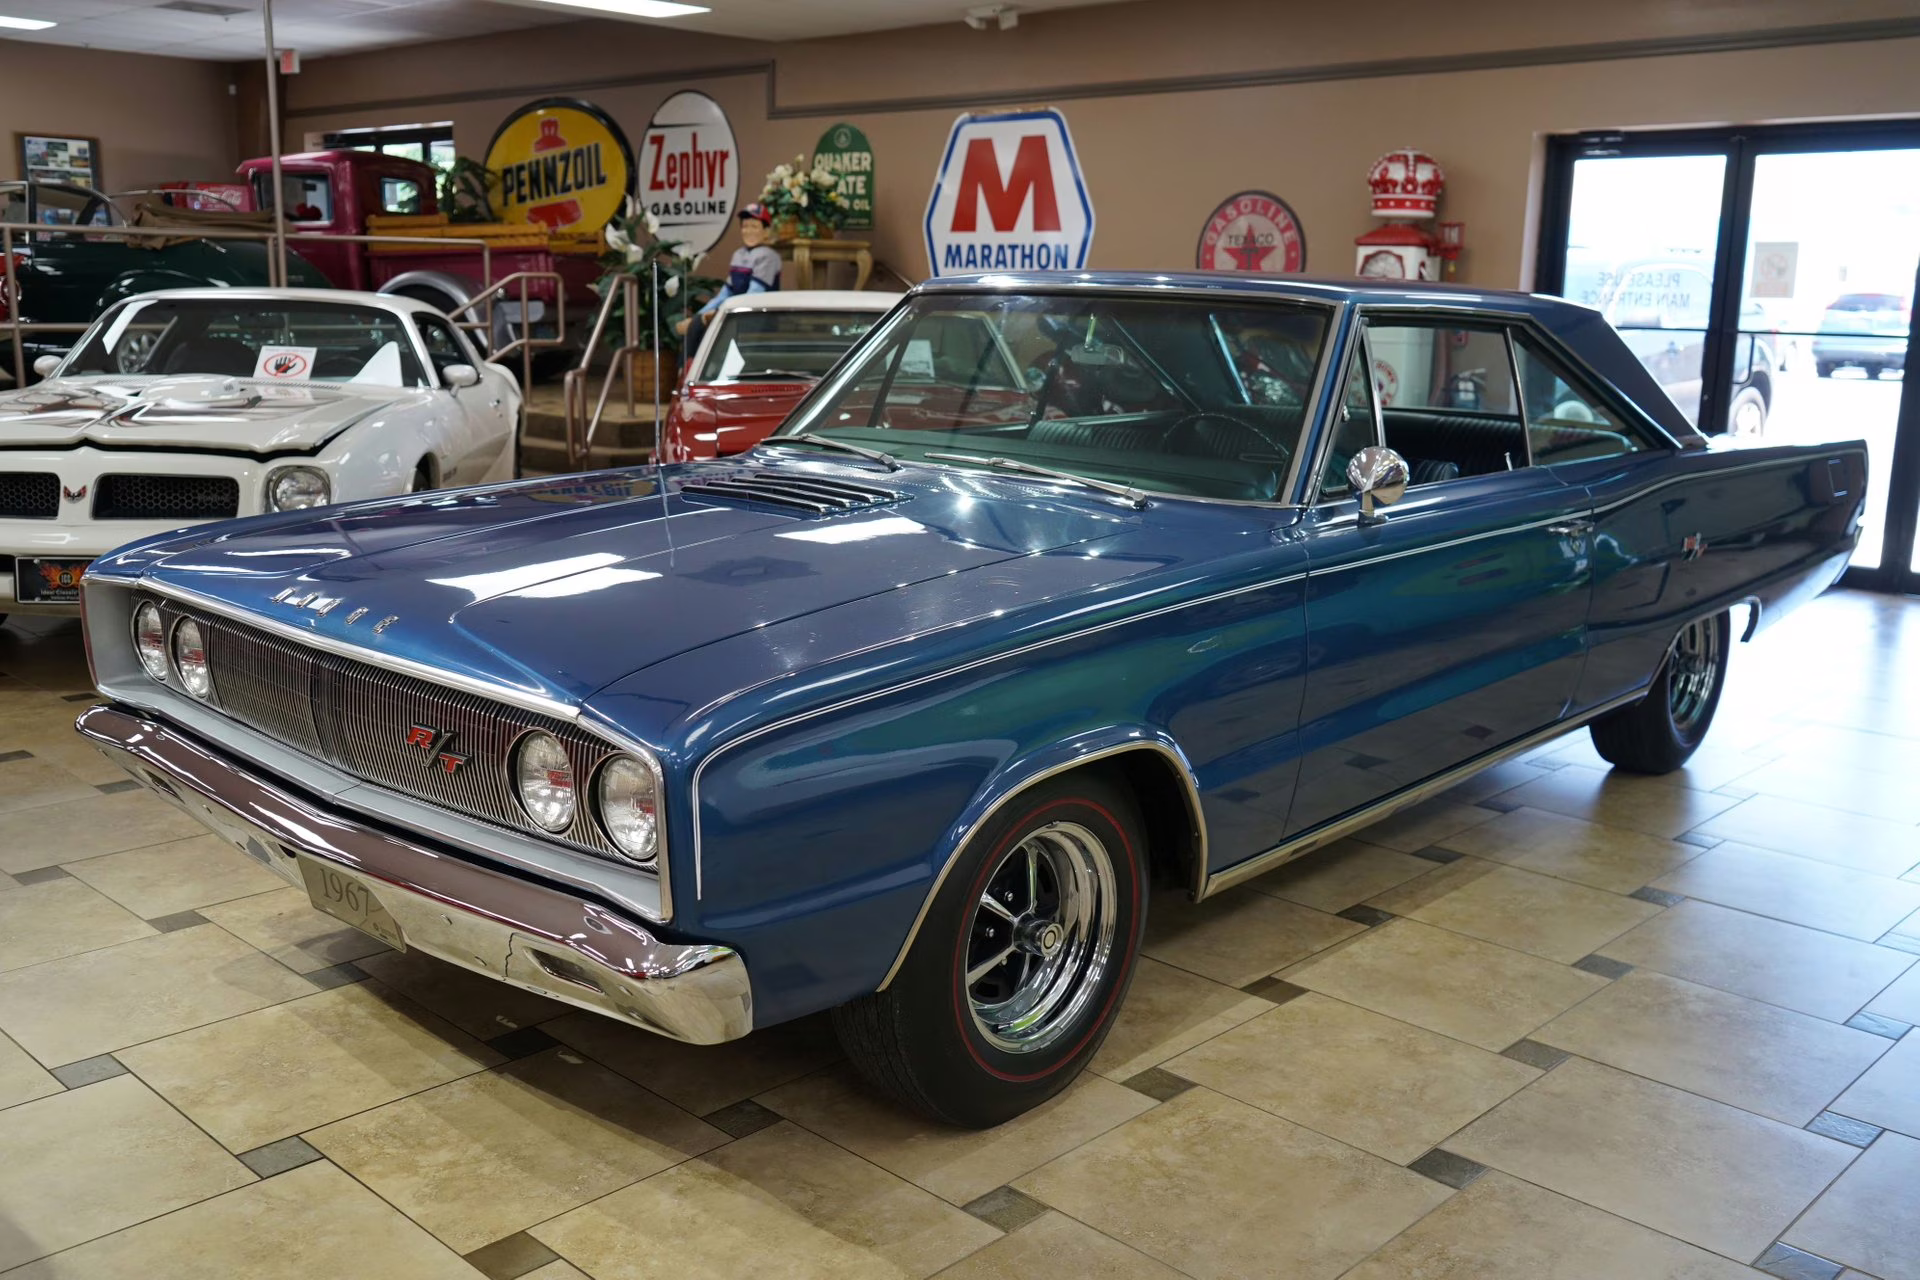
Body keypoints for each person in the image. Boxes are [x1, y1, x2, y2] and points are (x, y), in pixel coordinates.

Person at [676, 203, 782, 361]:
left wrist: (719, 313)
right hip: (736, 317)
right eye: (745, 226)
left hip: (758, 320)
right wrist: (699, 316)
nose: (749, 231)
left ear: (766, 231)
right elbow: (725, 293)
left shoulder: (768, 256)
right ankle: (687, 369)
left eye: (754, 226)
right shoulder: (738, 254)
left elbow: (753, 295)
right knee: (697, 325)